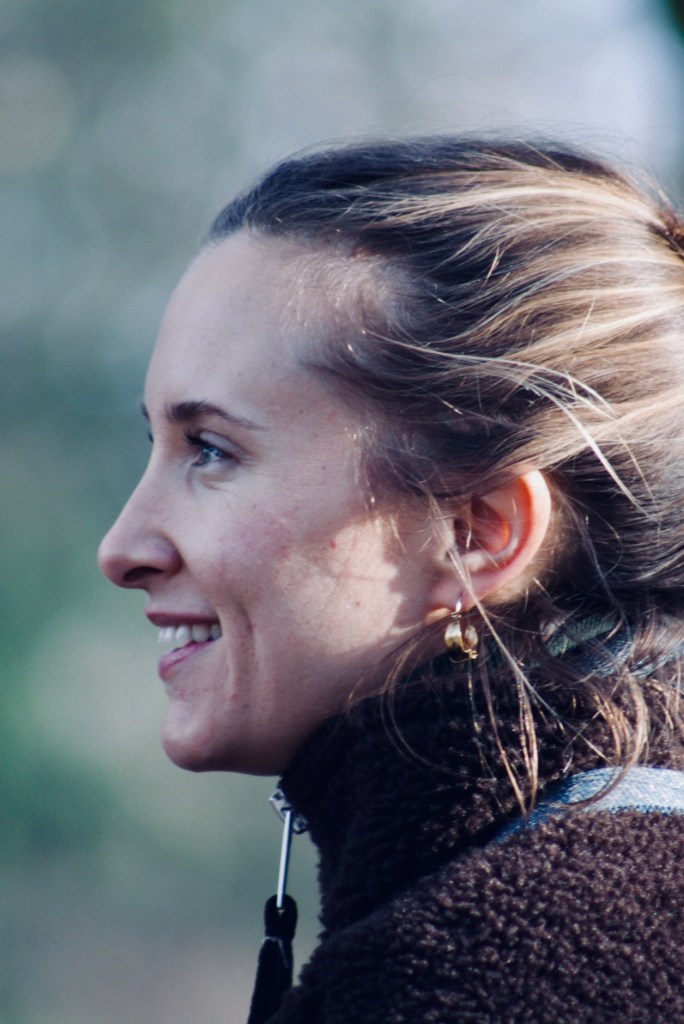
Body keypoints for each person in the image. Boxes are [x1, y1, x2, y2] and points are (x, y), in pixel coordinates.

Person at [98, 136, 684, 1023]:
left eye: (211, 450)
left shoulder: (478, 985)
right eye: (159, 444)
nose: (122, 548)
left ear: (476, 534)